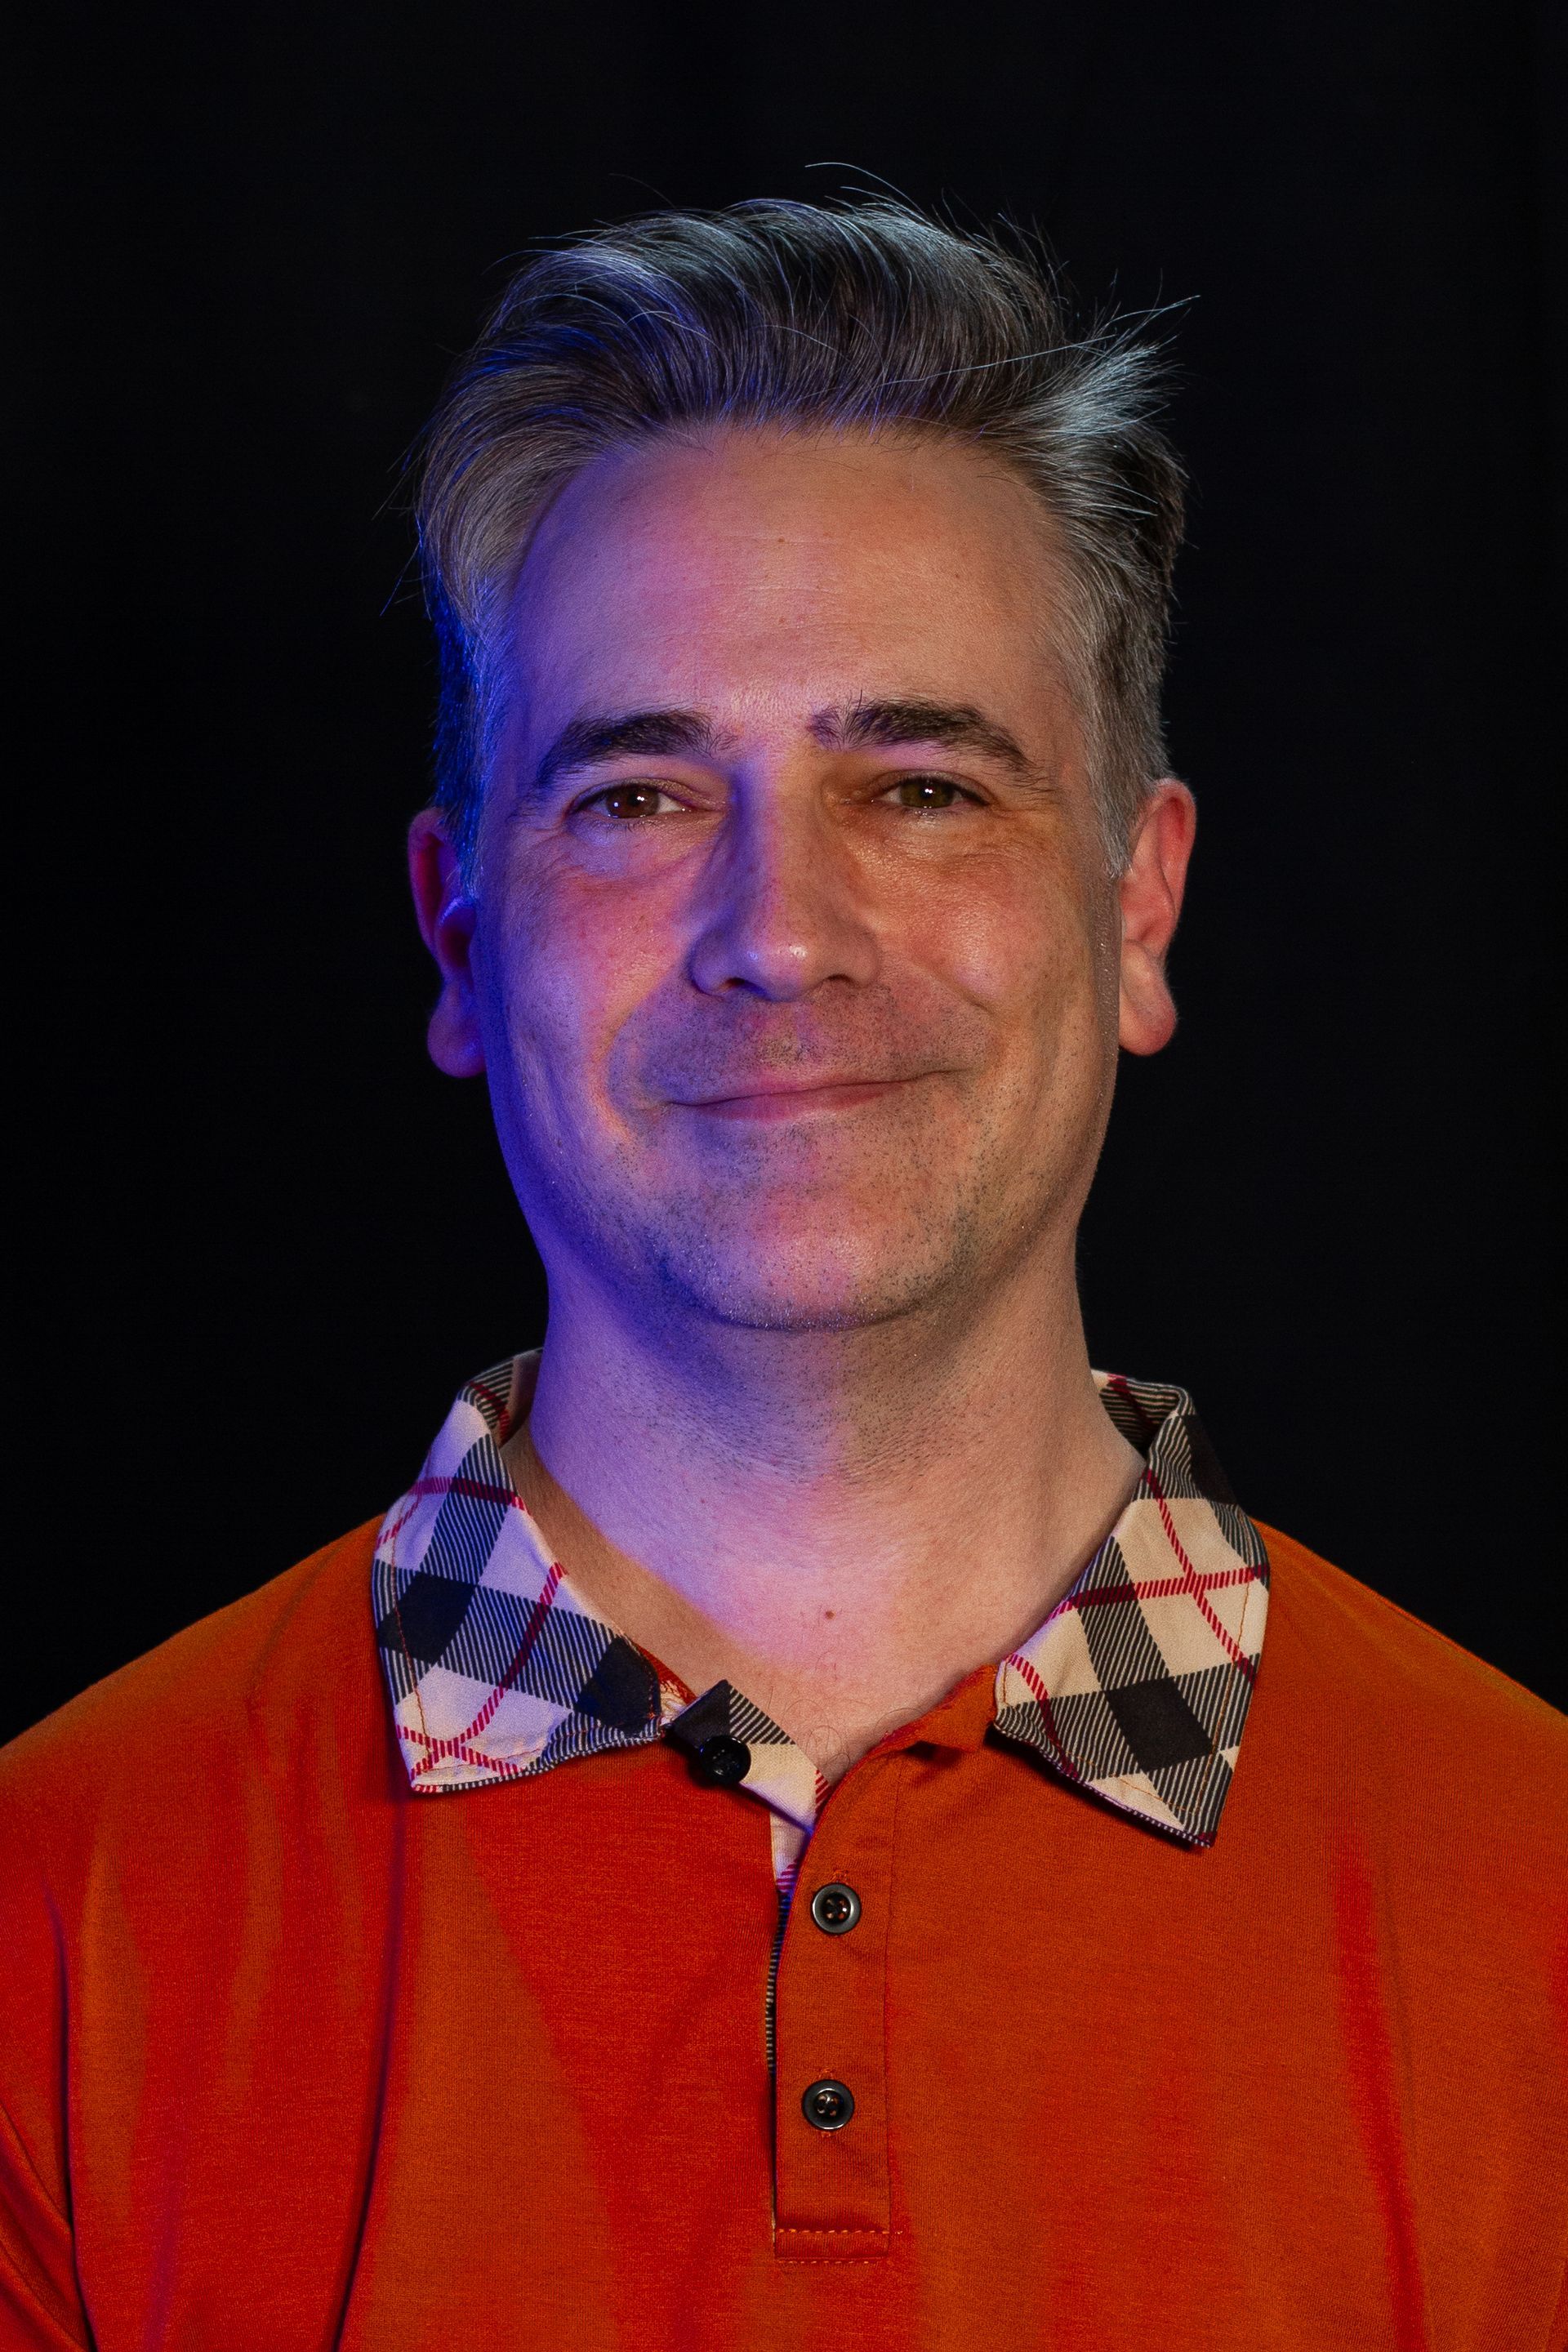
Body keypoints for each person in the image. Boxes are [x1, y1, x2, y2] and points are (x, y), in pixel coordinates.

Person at [2, 200, 1562, 2352]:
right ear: (464, 936)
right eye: (638, 797)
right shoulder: (48, 1913)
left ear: (1139, 909)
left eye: (921, 788)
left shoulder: (1538, 1898)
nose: (784, 932)